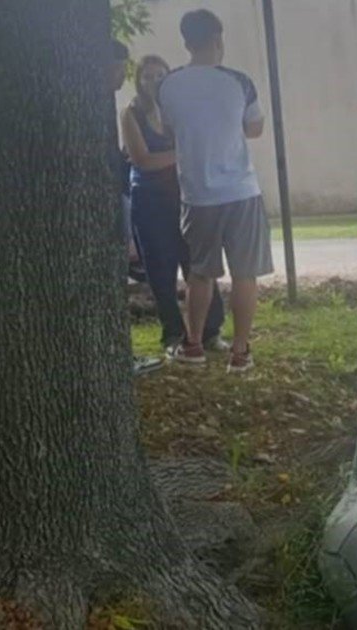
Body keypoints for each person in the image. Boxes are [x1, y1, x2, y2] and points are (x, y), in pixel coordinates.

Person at [159, 10, 274, 371]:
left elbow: (168, 129)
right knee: (244, 274)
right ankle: (240, 353)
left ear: (186, 41)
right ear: (218, 39)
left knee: (200, 273)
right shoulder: (239, 82)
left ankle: (193, 345)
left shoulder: (169, 85)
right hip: (241, 191)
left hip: (197, 194)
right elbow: (255, 128)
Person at [121, 55, 229, 356]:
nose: (154, 81)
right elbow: (143, 160)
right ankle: (173, 336)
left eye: (160, 75)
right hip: (149, 202)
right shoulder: (131, 113)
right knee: (160, 271)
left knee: (198, 264)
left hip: (186, 198)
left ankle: (210, 332)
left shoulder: (180, 110)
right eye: (147, 76)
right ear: (139, 81)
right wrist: (183, 153)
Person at [108, 41, 164, 376]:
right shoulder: (120, 110)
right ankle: (120, 356)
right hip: (117, 202)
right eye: (119, 66)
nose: (122, 74)